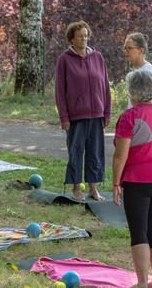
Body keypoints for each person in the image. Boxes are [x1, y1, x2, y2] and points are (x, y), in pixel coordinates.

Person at [113, 68, 152, 288]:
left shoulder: (129, 117)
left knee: (139, 231)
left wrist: (116, 183)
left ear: (131, 92)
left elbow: (121, 155)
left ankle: (141, 282)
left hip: (138, 178)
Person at [55, 21, 111, 202]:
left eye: (86, 36)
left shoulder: (98, 57)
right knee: (76, 152)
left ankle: (93, 189)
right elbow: (60, 91)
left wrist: (107, 112)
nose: (83, 39)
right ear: (71, 39)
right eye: (80, 36)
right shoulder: (64, 59)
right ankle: (76, 188)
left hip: (97, 115)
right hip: (75, 117)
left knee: (95, 153)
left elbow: (105, 86)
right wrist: (64, 116)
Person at [123, 33, 152, 108]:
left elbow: (149, 103)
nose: (126, 51)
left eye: (129, 48)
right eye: (125, 48)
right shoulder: (137, 70)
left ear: (141, 50)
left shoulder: (147, 71)